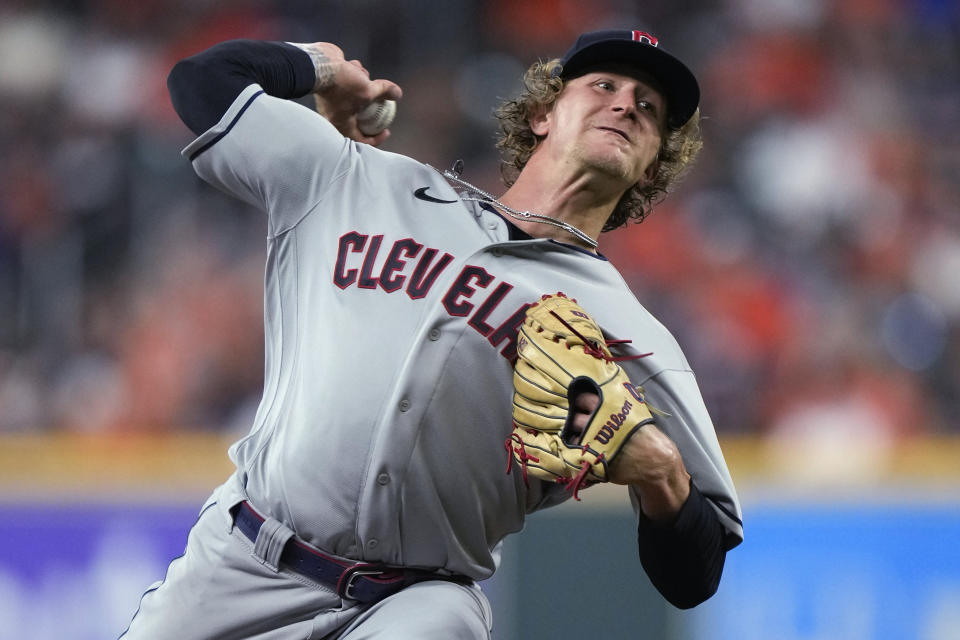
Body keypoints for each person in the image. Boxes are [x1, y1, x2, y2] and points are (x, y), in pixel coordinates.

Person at [121, 27, 743, 639]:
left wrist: (662, 472)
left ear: (650, 168)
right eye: (604, 84)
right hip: (240, 562)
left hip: (409, 604)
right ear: (542, 114)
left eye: (649, 109)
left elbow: (695, 574)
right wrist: (320, 66)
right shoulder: (359, 181)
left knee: (448, 619)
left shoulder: (633, 336)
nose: (625, 105)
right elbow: (201, 83)